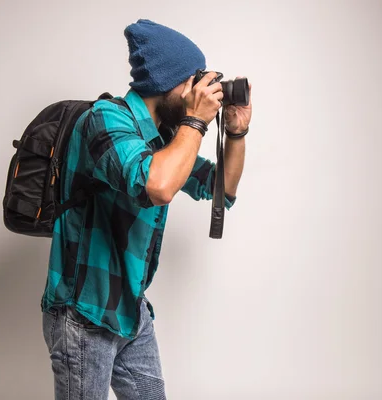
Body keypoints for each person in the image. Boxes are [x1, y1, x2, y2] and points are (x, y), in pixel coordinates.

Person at [39, 19, 252, 400]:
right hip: (84, 314)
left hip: (129, 311)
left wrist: (235, 133)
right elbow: (156, 185)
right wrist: (196, 121)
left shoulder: (165, 137)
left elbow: (221, 189)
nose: (199, 94)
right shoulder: (104, 119)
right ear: (169, 83)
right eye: (194, 82)